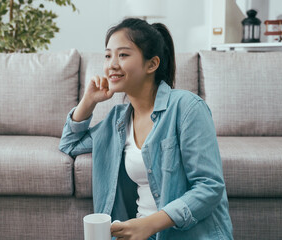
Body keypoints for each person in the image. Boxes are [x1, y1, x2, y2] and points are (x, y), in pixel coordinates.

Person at [59, 18, 233, 240]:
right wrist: (88, 101)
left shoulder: (187, 108)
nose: (112, 64)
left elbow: (209, 187)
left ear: (152, 64)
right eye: (107, 55)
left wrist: (148, 225)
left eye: (123, 55)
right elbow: (69, 144)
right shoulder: (117, 120)